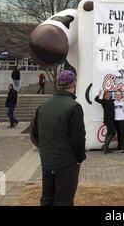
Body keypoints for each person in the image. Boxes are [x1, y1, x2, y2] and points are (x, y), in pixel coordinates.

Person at [31, 70, 86, 206]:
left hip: (47, 162)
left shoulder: (43, 106)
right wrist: (79, 158)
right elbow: (78, 139)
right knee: (64, 201)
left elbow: (34, 134)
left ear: (57, 84)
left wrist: (46, 150)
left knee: (47, 200)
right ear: (73, 85)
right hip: (66, 163)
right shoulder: (74, 107)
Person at [114, 89, 124, 154]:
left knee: (123, 134)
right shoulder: (114, 102)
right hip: (116, 120)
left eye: (119, 95)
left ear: (121, 95)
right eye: (116, 95)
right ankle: (120, 147)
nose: (118, 96)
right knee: (119, 134)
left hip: (122, 120)